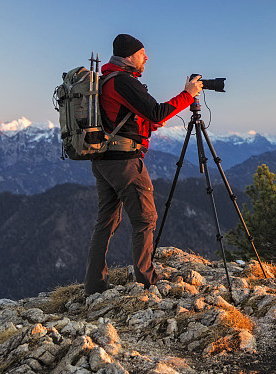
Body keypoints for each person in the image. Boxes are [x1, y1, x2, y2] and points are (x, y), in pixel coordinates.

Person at [84, 34, 203, 295]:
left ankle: (94, 286)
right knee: (145, 220)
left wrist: (147, 125)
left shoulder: (106, 80)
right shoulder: (123, 81)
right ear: (128, 56)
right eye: (142, 53)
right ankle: (148, 283)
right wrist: (188, 94)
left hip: (104, 161)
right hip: (125, 164)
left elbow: (121, 119)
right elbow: (157, 111)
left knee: (105, 223)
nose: (146, 58)